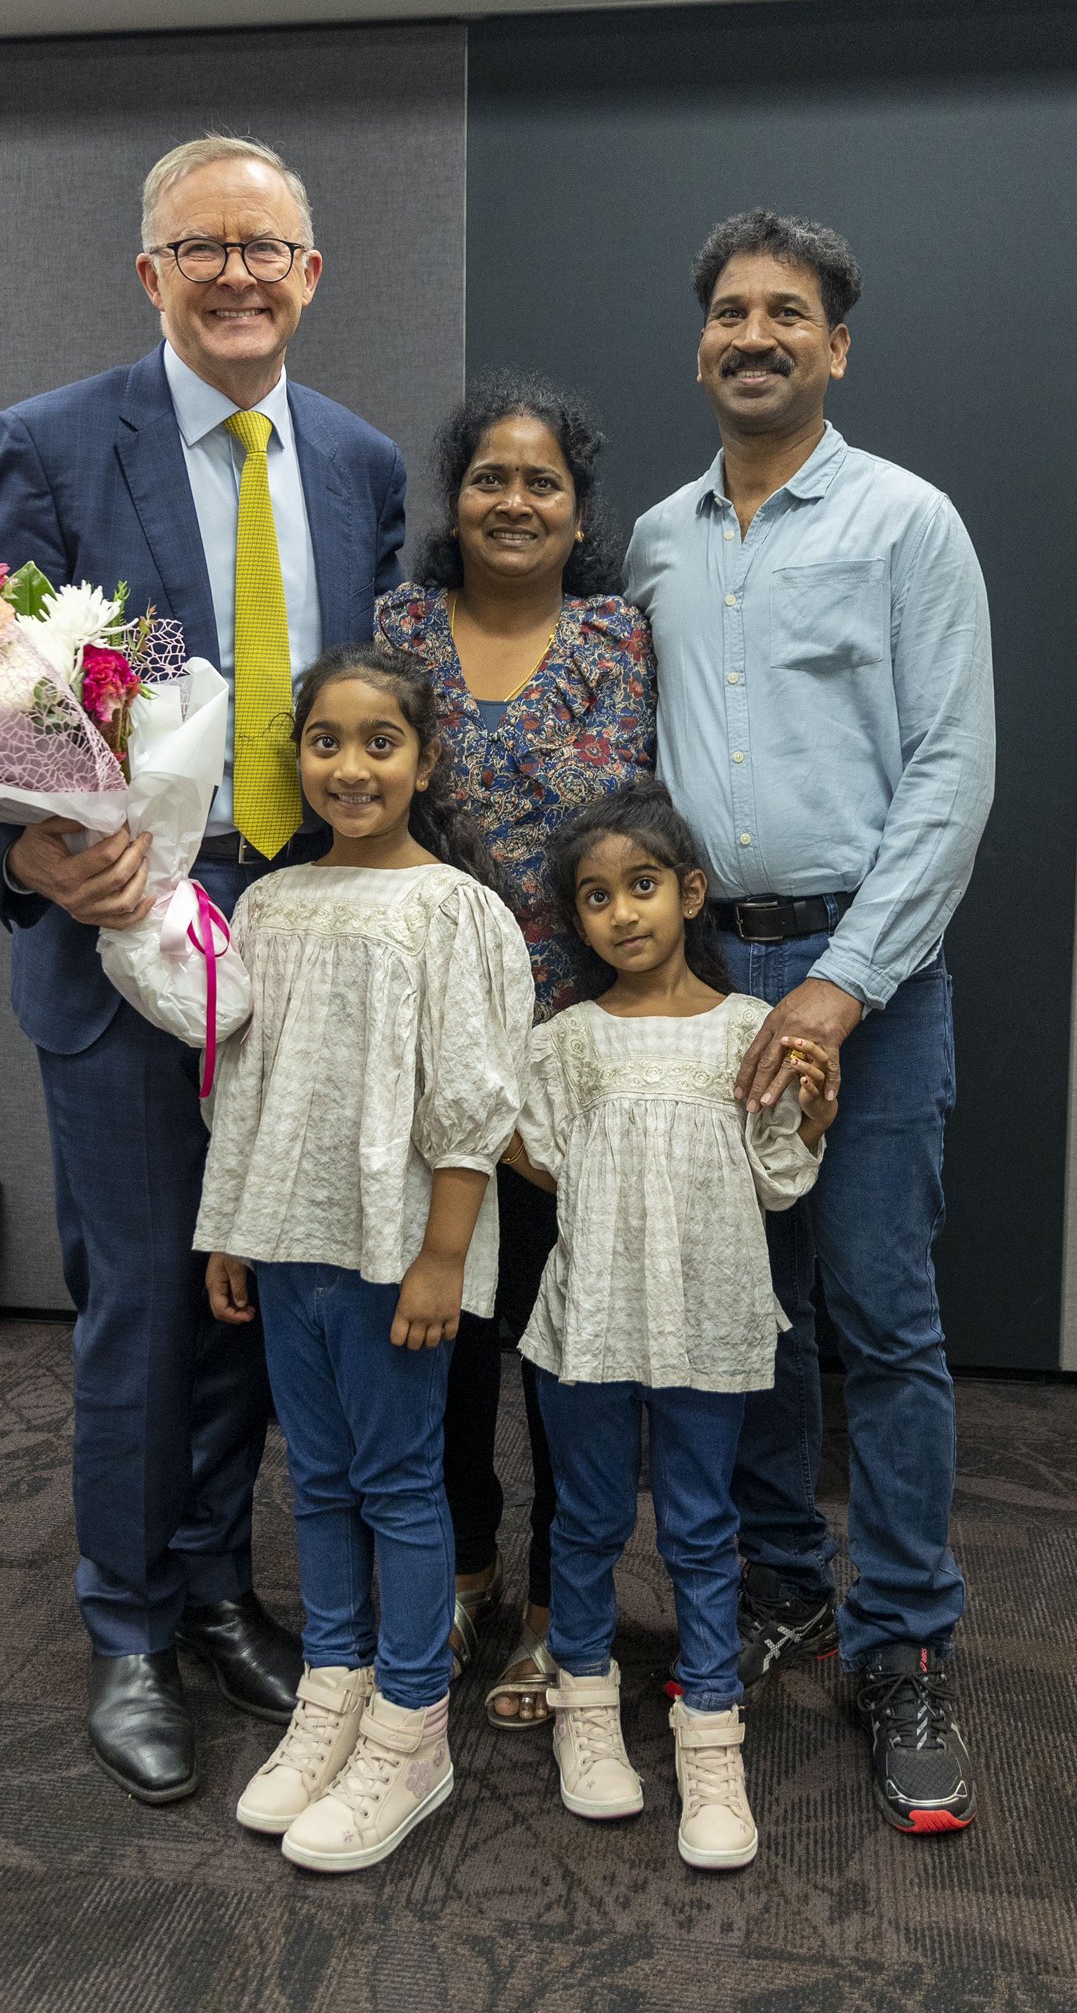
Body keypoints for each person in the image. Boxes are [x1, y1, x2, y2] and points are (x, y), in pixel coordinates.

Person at [0, 135, 407, 1806]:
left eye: (267, 246)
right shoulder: (57, 442)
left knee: (255, 1296)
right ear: (150, 273)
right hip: (122, 936)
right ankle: (130, 1624)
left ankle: (220, 1584)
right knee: (145, 1299)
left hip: (296, 953)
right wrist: (23, 852)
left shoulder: (360, 463)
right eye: (201, 245)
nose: (237, 272)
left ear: (310, 274)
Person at [624, 208, 994, 1834]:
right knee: (749, 1311)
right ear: (699, 343)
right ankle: (787, 1579)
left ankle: (906, 1638)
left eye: (786, 311)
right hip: (707, 979)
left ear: (836, 345)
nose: (752, 333)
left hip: (873, 976)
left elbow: (951, 775)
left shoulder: (909, 525)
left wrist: (841, 991)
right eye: (727, 310)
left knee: (881, 1317)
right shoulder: (653, 539)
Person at [199, 643, 534, 1871]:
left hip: (397, 1253)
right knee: (323, 1477)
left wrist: (446, 1255)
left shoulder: (455, 909)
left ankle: (410, 1721)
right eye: (326, 741)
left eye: (379, 741)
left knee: (400, 1483)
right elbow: (244, 1081)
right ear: (298, 761)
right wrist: (232, 1225)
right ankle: (331, 1684)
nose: (351, 765)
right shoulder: (272, 905)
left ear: (424, 758)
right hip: (288, 1239)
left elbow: (475, 1100)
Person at [376, 374, 655, 1729]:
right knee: (442, 1335)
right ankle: (464, 1570)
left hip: (567, 1060)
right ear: (455, 495)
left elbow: (634, 837)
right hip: (428, 1050)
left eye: (543, 480)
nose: (514, 499)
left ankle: (557, 1608)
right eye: (490, 474)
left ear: (578, 509)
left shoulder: (616, 637)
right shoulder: (396, 632)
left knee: (558, 1344)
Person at [506, 780, 832, 1866]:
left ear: (690, 892)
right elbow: (541, 1158)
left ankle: (709, 1743)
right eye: (595, 897)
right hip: (591, 1320)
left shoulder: (752, 1031)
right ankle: (586, 1712)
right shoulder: (566, 1041)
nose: (623, 912)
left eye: (642, 884)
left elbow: (778, 1181)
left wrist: (810, 1111)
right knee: (588, 1522)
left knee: (700, 1529)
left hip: (710, 1321)